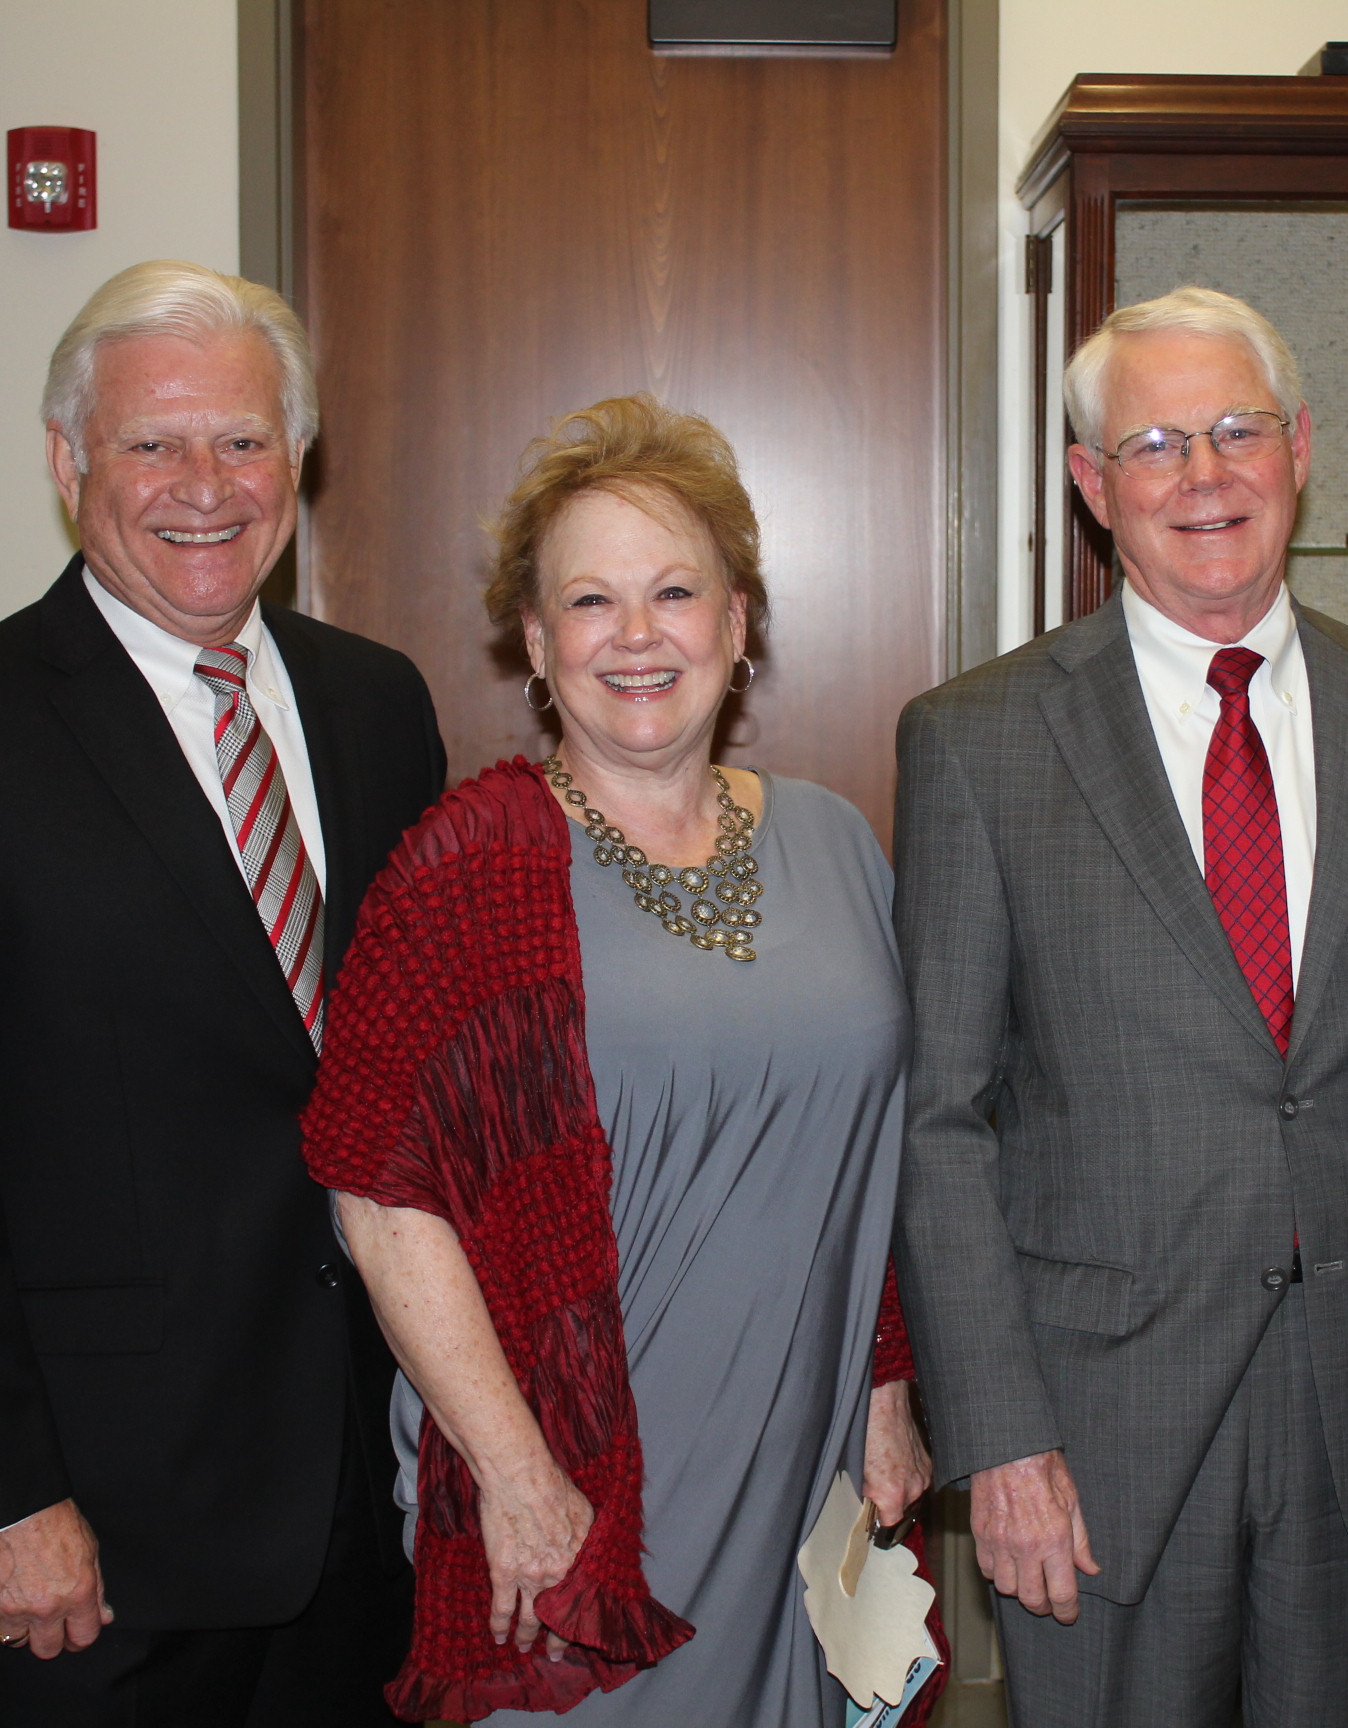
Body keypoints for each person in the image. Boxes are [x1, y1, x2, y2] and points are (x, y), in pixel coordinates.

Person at [0, 260, 449, 1724]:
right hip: (94, 1531)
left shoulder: (378, 706)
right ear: (67, 461)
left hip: (366, 1500)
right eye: (152, 442)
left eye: (244, 440)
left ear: (299, 457)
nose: (203, 488)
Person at [894, 285, 1348, 1727]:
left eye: (1237, 430)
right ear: (1092, 486)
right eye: (1155, 445)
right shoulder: (977, 742)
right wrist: (1000, 1438)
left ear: (1301, 448)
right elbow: (940, 1123)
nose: (1204, 475)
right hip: (1100, 1438)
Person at [302, 395, 934, 1723]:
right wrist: (519, 1475)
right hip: (581, 1479)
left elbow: (867, 1155)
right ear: (537, 644)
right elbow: (376, 1196)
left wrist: (884, 1390)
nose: (637, 635)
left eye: (675, 592)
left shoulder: (838, 843)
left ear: (739, 624)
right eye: (591, 602)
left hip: (803, 1461)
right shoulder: (466, 870)